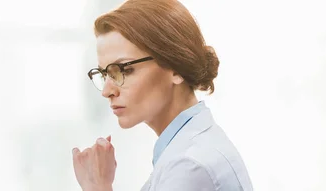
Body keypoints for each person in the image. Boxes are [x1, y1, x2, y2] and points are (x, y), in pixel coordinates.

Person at [71, 0, 253, 190]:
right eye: (105, 74)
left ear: (176, 67)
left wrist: (98, 186)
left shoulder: (189, 166)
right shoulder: (188, 149)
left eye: (124, 70)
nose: (107, 91)